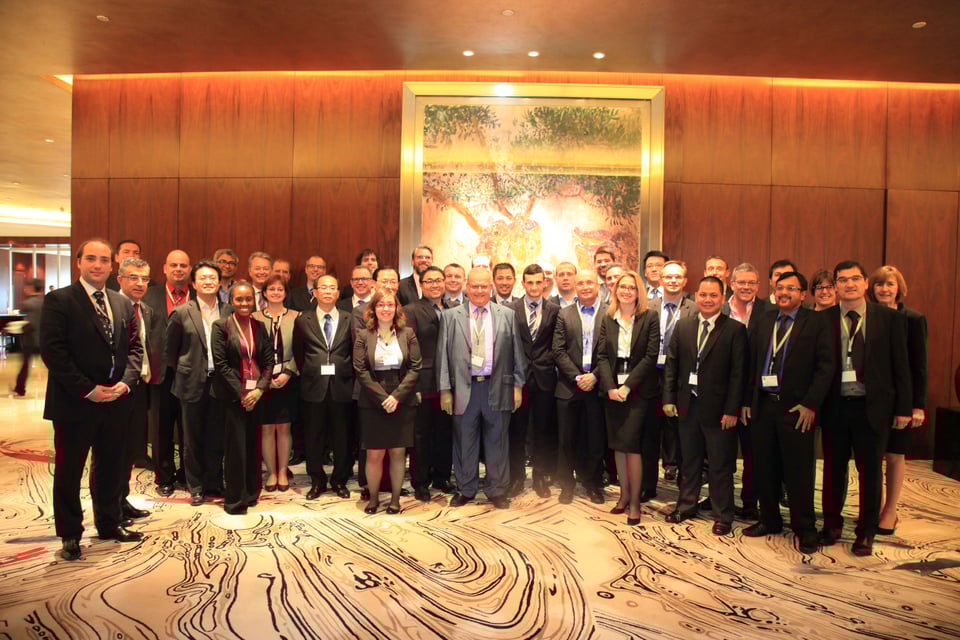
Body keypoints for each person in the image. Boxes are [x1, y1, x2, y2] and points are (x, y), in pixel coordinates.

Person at [40, 238, 145, 561]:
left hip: (116, 399)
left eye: (103, 260)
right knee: (69, 471)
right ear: (79, 262)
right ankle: (70, 533)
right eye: (91, 259)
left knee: (111, 466)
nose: (97, 265)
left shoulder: (122, 303)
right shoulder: (59, 300)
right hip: (75, 401)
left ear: (112, 266)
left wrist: (125, 383)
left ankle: (110, 524)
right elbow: (54, 353)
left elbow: (134, 348)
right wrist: (87, 389)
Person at [819, 261, 911, 556]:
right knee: (833, 469)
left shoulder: (889, 318)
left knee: (870, 472)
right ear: (836, 285)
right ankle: (831, 525)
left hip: (873, 408)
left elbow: (901, 366)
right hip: (835, 406)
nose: (849, 284)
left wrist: (904, 408)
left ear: (865, 283)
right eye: (843, 279)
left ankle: (866, 532)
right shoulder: (824, 319)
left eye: (855, 278)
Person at [741, 271, 834, 554]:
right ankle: (769, 520)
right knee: (764, 467)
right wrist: (746, 401)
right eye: (780, 287)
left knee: (798, 471)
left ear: (803, 294)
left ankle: (805, 528)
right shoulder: (764, 319)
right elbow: (751, 363)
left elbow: (826, 367)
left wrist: (810, 403)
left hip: (796, 408)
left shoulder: (816, 322)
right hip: (763, 405)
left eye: (791, 288)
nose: (784, 292)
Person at [663, 276, 747, 536]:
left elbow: (739, 374)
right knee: (689, 461)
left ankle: (723, 515)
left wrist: (732, 410)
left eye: (713, 295)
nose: (707, 300)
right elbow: (672, 365)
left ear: (722, 298)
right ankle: (686, 506)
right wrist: (668, 399)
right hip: (688, 405)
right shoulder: (684, 326)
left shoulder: (735, 330)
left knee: (720, 465)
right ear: (696, 296)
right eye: (703, 295)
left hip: (720, 410)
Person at [438, 267, 525, 509]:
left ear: (491, 287)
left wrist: (518, 386)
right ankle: (466, 489)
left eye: (483, 286)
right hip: (463, 389)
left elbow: (517, 353)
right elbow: (442, 356)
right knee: (464, 442)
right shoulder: (451, 316)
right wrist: (445, 390)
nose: (479, 290)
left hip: (497, 387)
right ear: (467, 287)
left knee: (497, 442)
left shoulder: (506, 315)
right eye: (474, 286)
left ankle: (497, 490)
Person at [595, 269, 660, 525]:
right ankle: (623, 496)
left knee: (631, 446)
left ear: (638, 292)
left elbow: (650, 357)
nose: (626, 291)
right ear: (616, 290)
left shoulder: (649, 317)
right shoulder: (608, 317)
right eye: (622, 287)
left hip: (638, 391)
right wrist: (611, 387)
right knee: (618, 446)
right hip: (612, 389)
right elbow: (601, 356)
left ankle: (634, 502)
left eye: (632, 287)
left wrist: (628, 387)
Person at [867, 265, 927, 536]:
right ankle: (875, 507)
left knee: (894, 455)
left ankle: (890, 510)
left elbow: (919, 365)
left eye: (890, 284)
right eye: (879, 284)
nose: (884, 289)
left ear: (899, 288)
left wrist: (917, 405)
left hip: (901, 400)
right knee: (873, 457)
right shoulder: (868, 315)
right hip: (872, 399)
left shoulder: (913, 319)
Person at [166, 260, 231, 505]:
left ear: (219, 282)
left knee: (216, 435)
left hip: (220, 383)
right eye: (202, 278)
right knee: (192, 438)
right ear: (193, 283)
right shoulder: (182, 312)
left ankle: (214, 482)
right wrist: (188, 368)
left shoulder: (229, 311)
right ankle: (195, 486)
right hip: (191, 382)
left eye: (212, 278)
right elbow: (170, 352)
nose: (208, 281)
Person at [354, 289, 421, 514]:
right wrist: (384, 398)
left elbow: (415, 367)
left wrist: (396, 396)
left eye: (390, 304)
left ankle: (395, 500)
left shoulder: (408, 333)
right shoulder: (363, 335)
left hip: (402, 397)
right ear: (373, 309)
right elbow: (360, 370)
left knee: (397, 453)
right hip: (372, 398)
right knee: (374, 454)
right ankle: (373, 499)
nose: (386, 308)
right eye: (381, 304)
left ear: (396, 309)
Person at [212, 282, 273, 515]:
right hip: (232, 397)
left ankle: (251, 493)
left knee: (252, 447)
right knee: (235, 449)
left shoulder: (259, 326)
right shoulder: (221, 326)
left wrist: (259, 390)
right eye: (239, 299)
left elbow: (268, 362)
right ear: (231, 301)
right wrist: (242, 392)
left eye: (248, 299)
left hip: (256, 396)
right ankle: (235, 500)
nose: (244, 303)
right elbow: (221, 364)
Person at [293, 275, 355, 500]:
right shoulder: (303, 320)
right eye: (323, 287)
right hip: (313, 386)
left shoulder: (349, 319)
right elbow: (299, 353)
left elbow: (353, 351)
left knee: (342, 437)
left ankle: (339, 480)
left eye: (332, 288)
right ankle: (317, 480)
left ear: (338, 293)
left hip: (342, 386)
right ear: (315, 292)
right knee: (313, 437)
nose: (328, 291)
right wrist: (312, 370)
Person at [552, 269, 608, 505]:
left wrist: (594, 376)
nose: (585, 287)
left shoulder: (609, 313)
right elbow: (558, 350)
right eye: (581, 283)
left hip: (597, 386)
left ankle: (593, 483)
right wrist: (577, 377)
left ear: (597, 286)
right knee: (566, 440)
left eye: (589, 283)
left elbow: (611, 351)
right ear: (576, 287)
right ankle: (566, 485)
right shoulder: (564, 314)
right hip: (569, 386)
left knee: (595, 439)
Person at [143, 249, 194, 496]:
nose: (178, 269)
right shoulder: (149, 295)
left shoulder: (199, 296)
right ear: (164, 268)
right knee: (161, 428)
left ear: (190, 269)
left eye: (183, 265)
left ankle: (187, 474)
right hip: (160, 373)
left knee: (189, 428)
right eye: (174, 265)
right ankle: (164, 477)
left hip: (190, 373)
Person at [116, 258, 162, 522]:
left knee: (130, 450)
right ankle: (111, 508)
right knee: (113, 450)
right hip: (117, 387)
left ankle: (122, 500)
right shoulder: (112, 306)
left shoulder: (145, 309)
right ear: (120, 279)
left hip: (140, 386)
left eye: (145, 278)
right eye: (133, 277)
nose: (140, 283)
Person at [508, 264, 560, 497]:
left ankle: (540, 477)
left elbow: (556, 344)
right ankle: (516, 478)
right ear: (523, 283)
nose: (534, 286)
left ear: (545, 283)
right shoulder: (510, 309)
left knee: (543, 430)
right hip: (518, 378)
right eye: (530, 282)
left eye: (538, 282)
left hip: (545, 378)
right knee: (516, 431)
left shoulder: (555, 310)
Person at [404, 266, 454, 500]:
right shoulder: (411, 310)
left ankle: (442, 477)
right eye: (430, 281)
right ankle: (421, 482)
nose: (435, 285)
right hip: (424, 383)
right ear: (421, 285)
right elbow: (409, 349)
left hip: (450, 382)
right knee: (421, 434)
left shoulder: (453, 309)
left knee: (445, 431)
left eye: (439, 280)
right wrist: (412, 385)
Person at [649, 261, 697, 484]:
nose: (673, 281)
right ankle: (655, 469)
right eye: (668, 277)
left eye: (678, 277)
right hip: (652, 372)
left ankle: (675, 465)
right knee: (653, 421)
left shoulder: (693, 308)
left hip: (680, 373)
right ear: (660, 280)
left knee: (677, 421)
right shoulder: (649, 306)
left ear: (685, 281)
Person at [253, 274, 301, 493]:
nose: (275, 292)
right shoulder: (254, 318)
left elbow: (301, 349)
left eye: (280, 289)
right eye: (271, 289)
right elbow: (251, 352)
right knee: (266, 428)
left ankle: (282, 471)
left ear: (285, 293)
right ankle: (271, 472)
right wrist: (265, 378)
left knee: (284, 427)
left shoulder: (297, 317)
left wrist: (288, 373)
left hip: (288, 379)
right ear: (264, 293)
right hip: (263, 381)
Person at [13, 278, 43, 397]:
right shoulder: (46, 302)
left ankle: (20, 389)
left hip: (30, 339)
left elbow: (25, 322)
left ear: (31, 288)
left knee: (25, 365)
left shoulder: (26, 304)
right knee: (53, 365)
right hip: (44, 339)